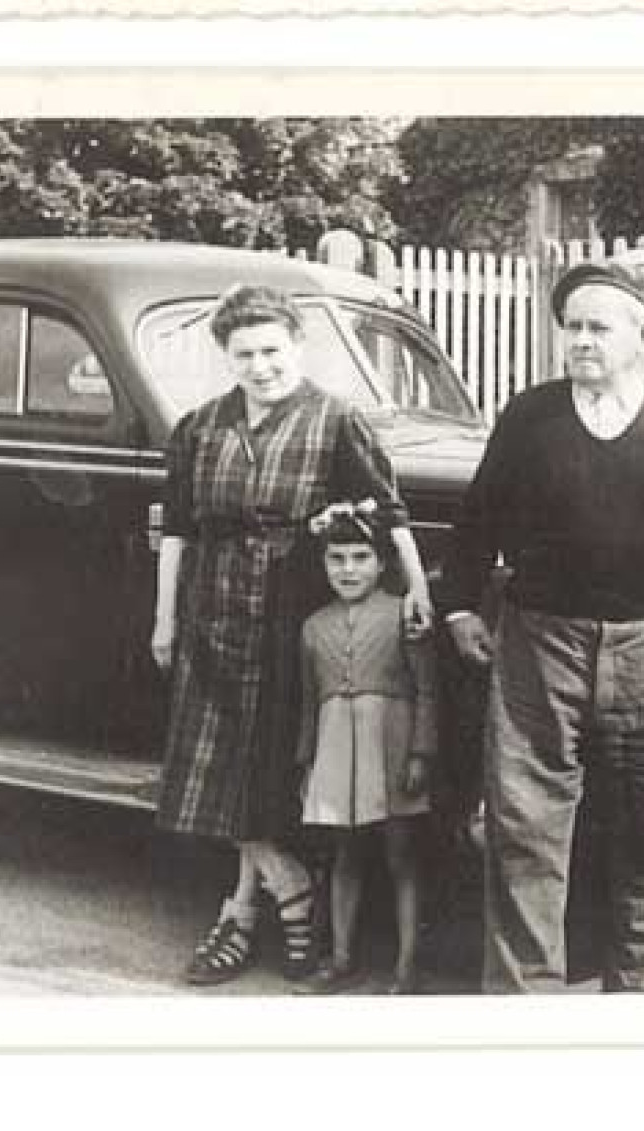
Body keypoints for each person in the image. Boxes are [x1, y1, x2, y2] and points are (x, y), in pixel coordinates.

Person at [442, 253, 644, 993]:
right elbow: (477, 519)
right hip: (539, 648)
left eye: (597, 327)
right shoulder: (529, 417)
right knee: (525, 836)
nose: (579, 340)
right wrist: (456, 603)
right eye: (571, 326)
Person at [151, 285, 432, 986]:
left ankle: (246, 909)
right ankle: (283, 890)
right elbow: (179, 529)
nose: (260, 365)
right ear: (226, 355)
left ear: (297, 347)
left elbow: (389, 508)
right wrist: (164, 618)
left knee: (263, 768)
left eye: (272, 350)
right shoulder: (201, 426)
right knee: (214, 771)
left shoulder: (334, 420)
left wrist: (418, 586)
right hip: (212, 612)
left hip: (286, 614)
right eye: (244, 353)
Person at [295, 500, 437, 995]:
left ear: (382, 563)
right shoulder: (313, 627)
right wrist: (307, 764)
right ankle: (340, 959)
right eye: (337, 558)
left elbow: (426, 691)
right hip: (336, 751)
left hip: (391, 749)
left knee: (401, 855)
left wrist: (421, 753)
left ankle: (406, 968)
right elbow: (311, 706)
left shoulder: (405, 614)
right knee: (344, 855)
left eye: (360, 557)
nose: (348, 569)